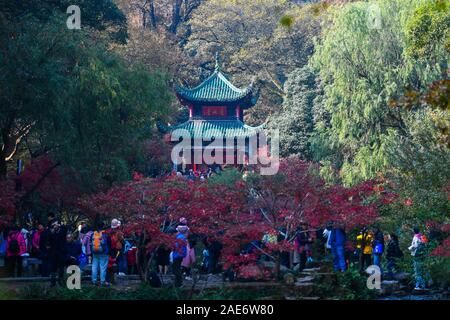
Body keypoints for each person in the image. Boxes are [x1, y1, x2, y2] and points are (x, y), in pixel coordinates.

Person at [90, 222, 111, 287]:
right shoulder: (105, 234)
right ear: (103, 226)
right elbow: (109, 244)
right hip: (104, 253)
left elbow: (90, 243)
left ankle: (94, 281)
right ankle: (102, 281)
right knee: (103, 267)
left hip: (95, 252)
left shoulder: (93, 234)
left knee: (94, 266)